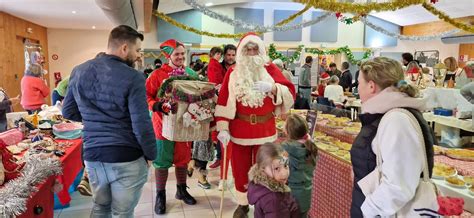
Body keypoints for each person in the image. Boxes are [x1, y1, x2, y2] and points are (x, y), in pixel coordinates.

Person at [62, 25, 157, 217]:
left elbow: (68, 111)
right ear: (124, 48)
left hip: (93, 155)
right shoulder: (133, 77)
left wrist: (94, 117)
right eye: (137, 50)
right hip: (126, 155)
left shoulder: (78, 71)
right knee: (122, 212)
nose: (138, 55)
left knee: (100, 207)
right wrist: (151, 154)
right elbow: (141, 123)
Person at [215, 33, 295, 217]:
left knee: (266, 168)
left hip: (265, 129)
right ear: (241, 51)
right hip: (239, 130)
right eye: (247, 49)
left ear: (261, 50)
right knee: (240, 168)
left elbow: (290, 91)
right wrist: (223, 128)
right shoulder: (233, 72)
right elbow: (224, 99)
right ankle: (242, 204)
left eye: (255, 49)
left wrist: (273, 88)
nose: (251, 53)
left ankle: (264, 202)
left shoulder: (271, 69)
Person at [350, 57, 435, 217]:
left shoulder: (397, 120)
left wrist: (368, 209)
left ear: (371, 86)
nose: (358, 89)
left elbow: (399, 185)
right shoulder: (386, 115)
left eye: (359, 83)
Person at [146, 39, 197, 215]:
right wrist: (157, 105)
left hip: (184, 124)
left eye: (183, 54)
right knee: (162, 160)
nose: (181, 57)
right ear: (168, 56)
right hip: (162, 125)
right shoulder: (157, 75)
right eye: (177, 54)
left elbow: (199, 93)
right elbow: (146, 97)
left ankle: (181, 190)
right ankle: (161, 195)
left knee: (183, 158)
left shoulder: (190, 73)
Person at [247, 142, 300, 218]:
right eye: (277, 168)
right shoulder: (274, 199)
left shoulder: (262, 186)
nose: (284, 173)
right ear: (263, 169)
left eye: (285, 165)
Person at [281, 114, 317, 218]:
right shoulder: (311, 146)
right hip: (306, 194)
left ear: (288, 132)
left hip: (290, 194)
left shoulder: (285, 149)